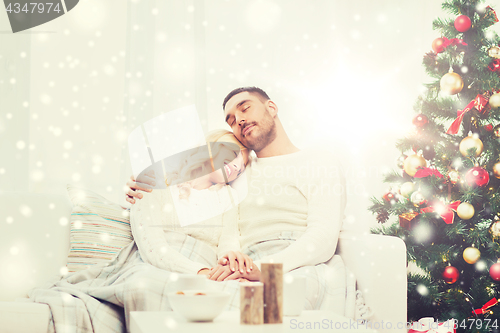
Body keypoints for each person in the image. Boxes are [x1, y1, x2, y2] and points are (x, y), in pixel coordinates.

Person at [127, 87, 357, 316]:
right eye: (232, 121)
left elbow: (323, 237)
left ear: (272, 107)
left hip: (294, 263)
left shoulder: (319, 161)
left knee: (267, 306)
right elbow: (196, 188)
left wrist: (263, 269)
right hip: (241, 266)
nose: (239, 120)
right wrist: (144, 184)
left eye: (245, 108)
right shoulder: (237, 171)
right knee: (196, 301)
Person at [26, 129, 256, 333]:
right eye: (233, 155)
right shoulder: (153, 181)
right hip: (157, 264)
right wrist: (200, 272)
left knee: (245, 292)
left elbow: (228, 239)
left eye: (241, 166)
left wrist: (229, 260)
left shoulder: (228, 197)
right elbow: (152, 247)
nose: (236, 167)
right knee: (144, 285)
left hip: (208, 267)